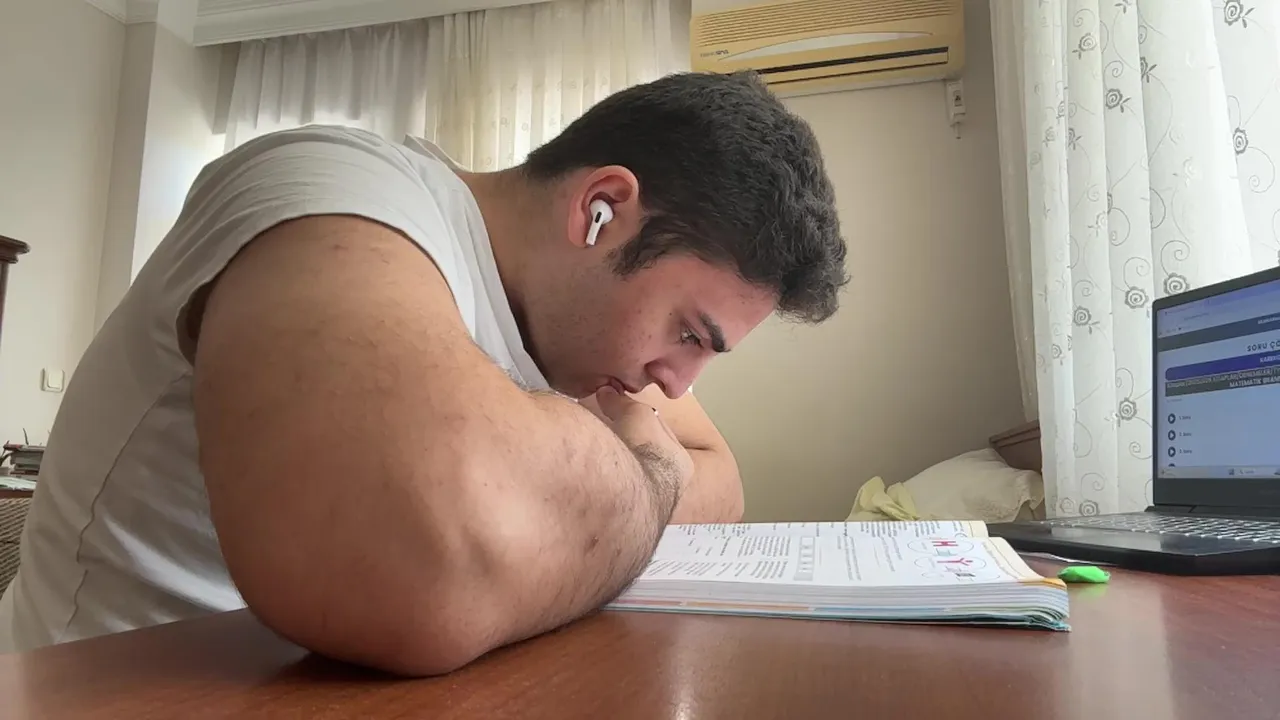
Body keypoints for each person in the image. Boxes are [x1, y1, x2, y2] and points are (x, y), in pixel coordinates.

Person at [0, 70, 846, 673]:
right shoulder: (339, 191)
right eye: (688, 333)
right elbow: (419, 566)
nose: (676, 385)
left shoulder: (583, 344)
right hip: (95, 692)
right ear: (601, 210)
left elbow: (721, 478)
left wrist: (601, 481)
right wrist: (647, 466)